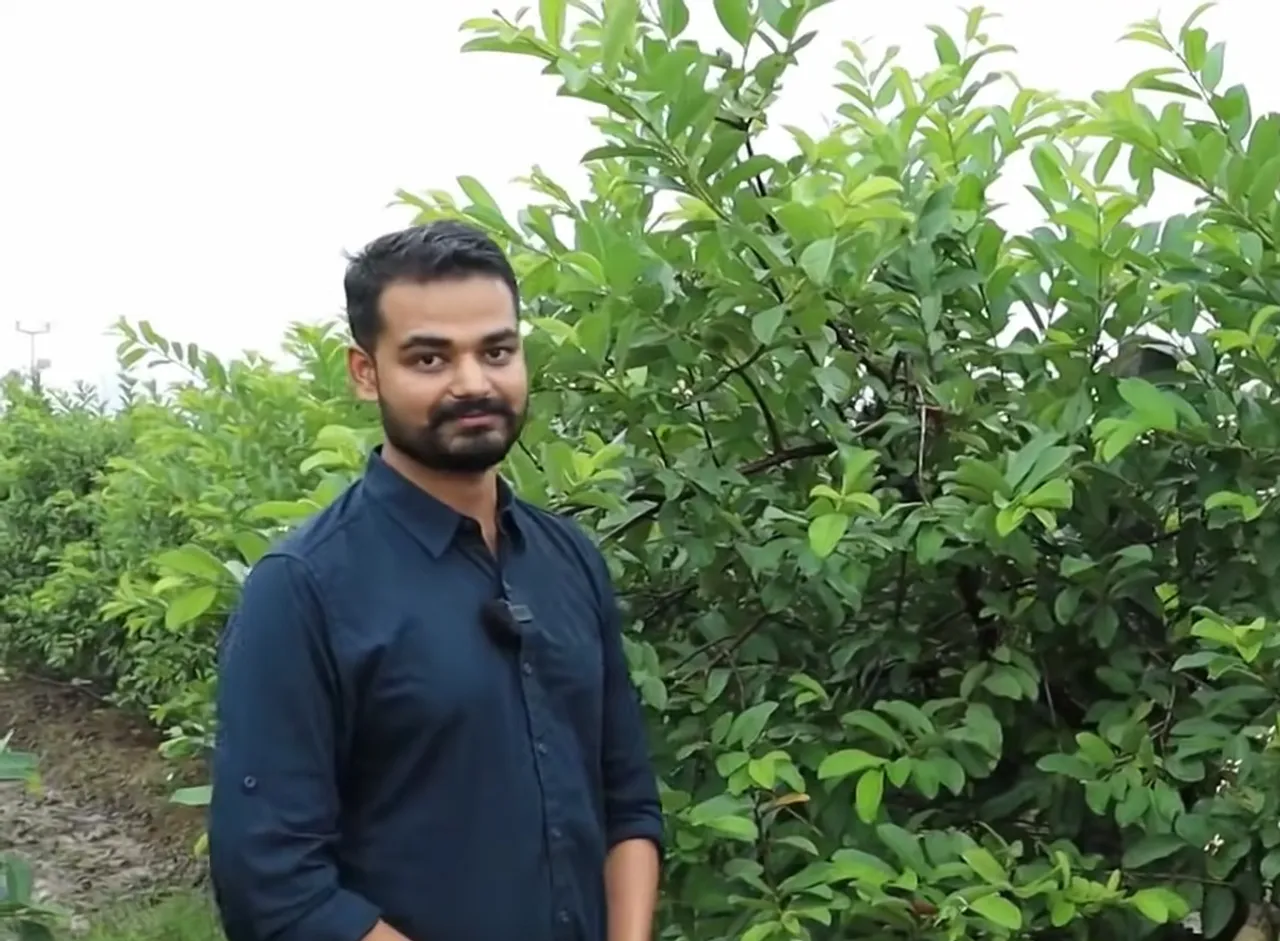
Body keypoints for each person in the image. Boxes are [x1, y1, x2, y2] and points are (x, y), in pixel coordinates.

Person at [207, 220, 663, 941]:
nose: (473, 382)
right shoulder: (302, 589)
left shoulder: (568, 558)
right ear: (366, 372)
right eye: (429, 358)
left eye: (497, 350)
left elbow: (628, 801)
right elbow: (275, 883)